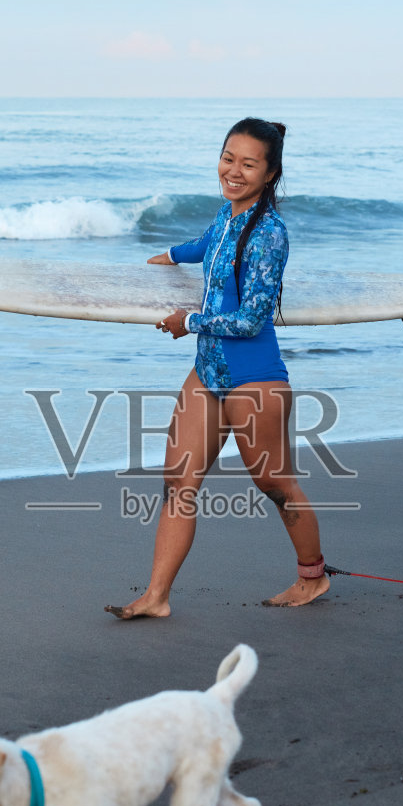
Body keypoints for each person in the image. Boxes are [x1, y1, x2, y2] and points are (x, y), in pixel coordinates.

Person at [106, 118, 330, 619]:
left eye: (248, 164)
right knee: (178, 482)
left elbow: (252, 319)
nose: (234, 170)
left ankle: (312, 578)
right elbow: (206, 245)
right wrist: (165, 256)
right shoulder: (227, 217)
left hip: (255, 380)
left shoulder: (271, 234)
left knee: (274, 484)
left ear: (269, 173)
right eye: (229, 158)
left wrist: (189, 319)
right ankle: (156, 597)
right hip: (207, 375)